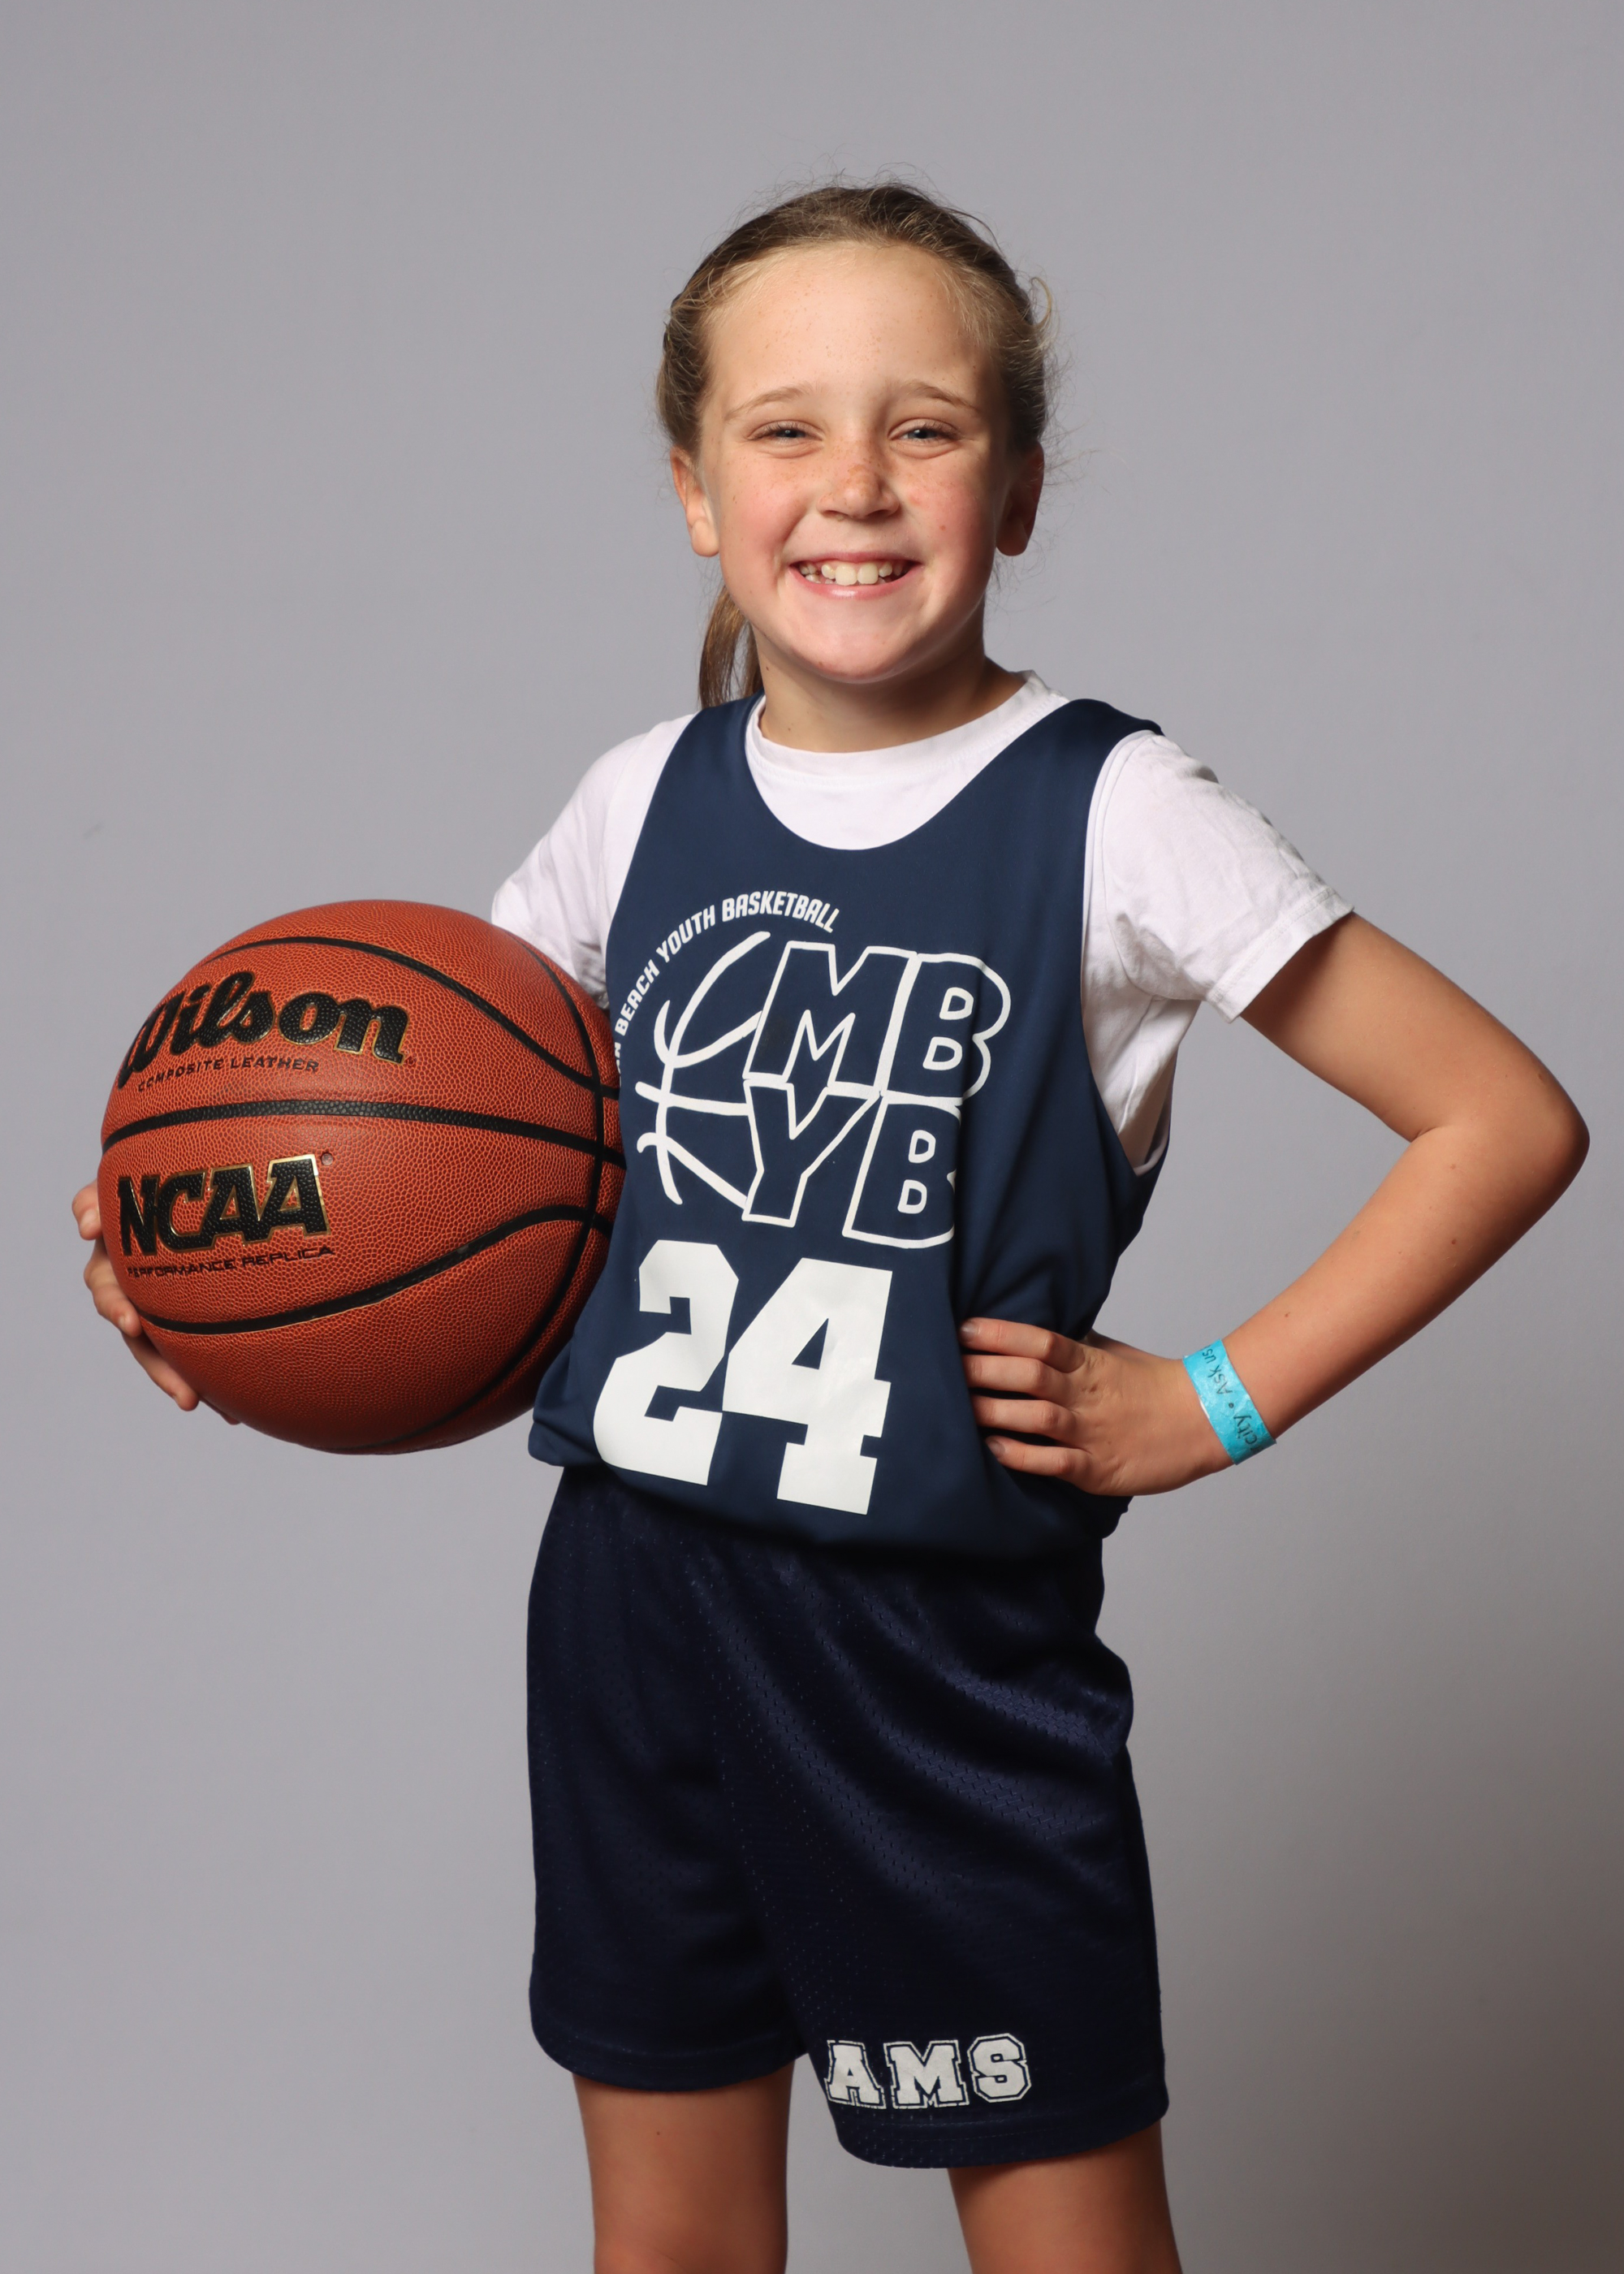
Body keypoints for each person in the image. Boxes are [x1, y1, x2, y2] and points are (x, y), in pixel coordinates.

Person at [75, 183, 1587, 2274]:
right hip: (630, 1618)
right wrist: (207, 1261)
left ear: (1019, 489)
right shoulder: (636, 802)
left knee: (1066, 2247)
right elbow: (407, 1158)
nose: (853, 483)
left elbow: (1500, 1117)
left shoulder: (1113, 808)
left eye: (924, 427)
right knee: (673, 2243)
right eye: (783, 428)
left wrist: (1214, 1399)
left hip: (936, 1661)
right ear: (696, 489)